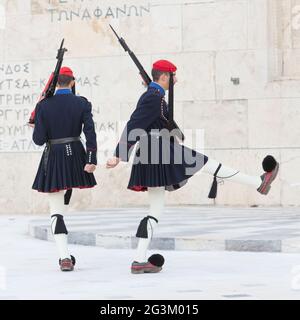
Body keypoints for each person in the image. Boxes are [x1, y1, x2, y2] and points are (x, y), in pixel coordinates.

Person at [106, 60, 279, 274]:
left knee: (155, 210)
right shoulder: (152, 96)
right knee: (206, 162)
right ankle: (258, 183)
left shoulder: (154, 95)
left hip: (153, 149)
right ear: (163, 77)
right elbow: (134, 123)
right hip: (157, 147)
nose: (176, 80)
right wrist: (118, 154)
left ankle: (139, 260)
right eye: (173, 76)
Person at [32, 67, 97, 272]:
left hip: (54, 156)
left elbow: (39, 140)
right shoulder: (82, 103)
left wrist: (35, 124)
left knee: (56, 211)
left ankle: (64, 257)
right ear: (72, 82)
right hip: (75, 153)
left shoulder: (44, 105)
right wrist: (91, 158)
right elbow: (90, 133)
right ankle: (65, 255)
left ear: (55, 82)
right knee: (62, 203)